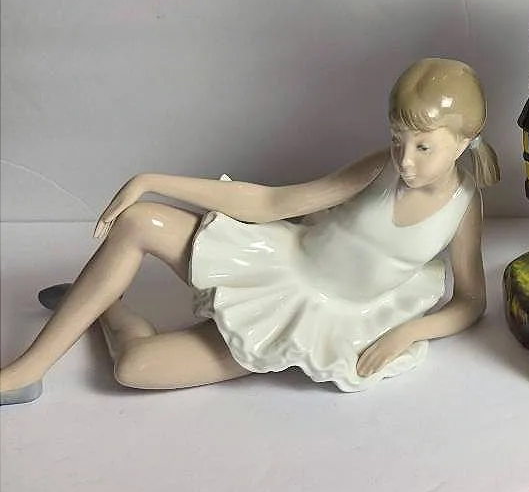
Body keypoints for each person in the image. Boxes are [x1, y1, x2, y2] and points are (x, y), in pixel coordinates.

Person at [0, 59, 499, 403]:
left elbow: (471, 301)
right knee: (139, 220)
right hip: (270, 260)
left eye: (423, 147)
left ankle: (102, 306)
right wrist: (151, 181)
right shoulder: (379, 167)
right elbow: (271, 202)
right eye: (396, 140)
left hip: (307, 320)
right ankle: (28, 370)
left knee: (135, 368)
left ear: (463, 142)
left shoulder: (463, 208)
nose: (405, 160)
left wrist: (409, 331)